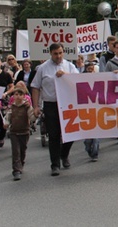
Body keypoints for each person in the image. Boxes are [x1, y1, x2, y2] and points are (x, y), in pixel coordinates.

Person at [31, 43, 79, 176]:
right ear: (50, 54)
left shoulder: (69, 66)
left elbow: (78, 81)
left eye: (60, 53)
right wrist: (36, 106)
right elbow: (35, 86)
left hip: (67, 104)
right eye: (55, 54)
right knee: (54, 135)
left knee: (71, 132)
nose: (58, 56)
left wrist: (66, 75)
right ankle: (55, 164)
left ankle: (64, 154)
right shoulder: (43, 68)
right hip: (51, 104)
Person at [5, 84, 34, 180]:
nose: (18, 96)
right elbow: (7, 117)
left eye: (20, 94)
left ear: (23, 96)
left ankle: (21, 163)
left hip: (24, 131)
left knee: (22, 150)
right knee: (15, 151)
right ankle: (16, 170)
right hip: (14, 132)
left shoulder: (27, 107)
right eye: (16, 94)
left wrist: (35, 115)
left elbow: (32, 117)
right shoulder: (12, 107)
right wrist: (6, 123)